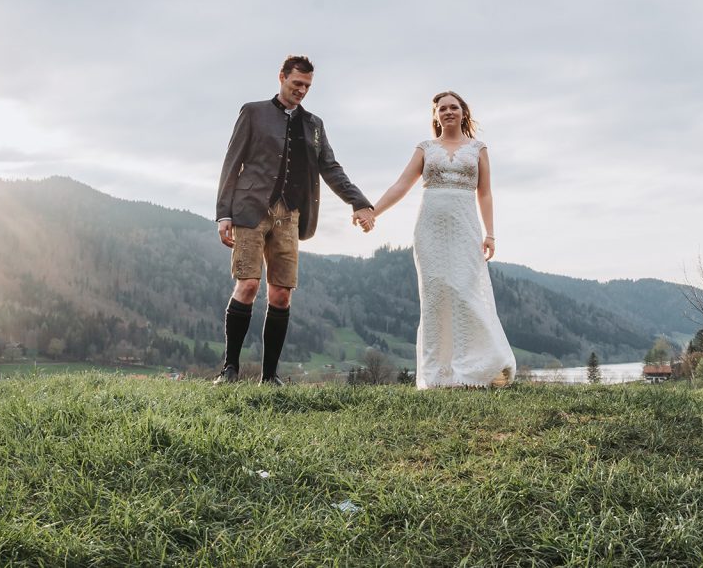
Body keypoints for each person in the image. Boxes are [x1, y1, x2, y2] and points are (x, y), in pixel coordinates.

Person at [214, 55, 374, 385]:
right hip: (250, 209)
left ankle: (269, 376)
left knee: (281, 294)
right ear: (281, 78)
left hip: (290, 215)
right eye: (296, 84)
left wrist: (358, 201)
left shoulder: (314, 125)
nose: (301, 90)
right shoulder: (253, 112)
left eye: (307, 86)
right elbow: (232, 161)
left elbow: (330, 167)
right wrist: (224, 213)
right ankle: (229, 369)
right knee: (247, 284)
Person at [371, 91, 516, 388]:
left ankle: (474, 370)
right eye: (442, 108)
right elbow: (401, 184)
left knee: (465, 292)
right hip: (430, 229)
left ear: (463, 112)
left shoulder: (478, 148)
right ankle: (438, 376)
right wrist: (373, 212)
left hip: (466, 227)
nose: (448, 112)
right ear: (435, 115)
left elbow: (485, 192)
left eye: (454, 107)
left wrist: (490, 234)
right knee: (435, 297)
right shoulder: (425, 148)